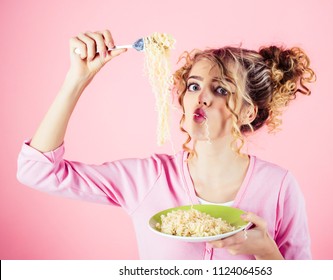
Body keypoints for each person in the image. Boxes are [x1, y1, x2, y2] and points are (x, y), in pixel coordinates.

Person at [17, 30, 316, 260]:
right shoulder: (147, 179)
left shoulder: (279, 187)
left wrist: (267, 252)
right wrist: (77, 79)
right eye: (194, 86)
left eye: (221, 89)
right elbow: (35, 170)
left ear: (249, 112)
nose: (201, 98)